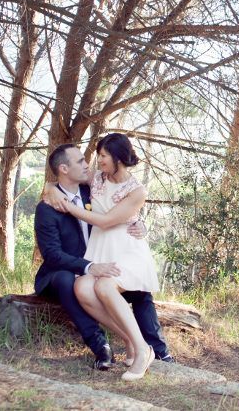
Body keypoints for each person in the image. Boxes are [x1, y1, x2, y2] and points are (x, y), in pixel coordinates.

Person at [34, 142, 170, 373]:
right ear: (65, 169)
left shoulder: (91, 187)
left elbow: (119, 213)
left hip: (117, 253)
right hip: (76, 265)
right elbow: (53, 255)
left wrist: (140, 224)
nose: (89, 163)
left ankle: (158, 351)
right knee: (73, 283)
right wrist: (50, 188)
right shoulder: (49, 206)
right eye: (81, 161)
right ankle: (103, 345)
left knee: (140, 293)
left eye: (100, 156)